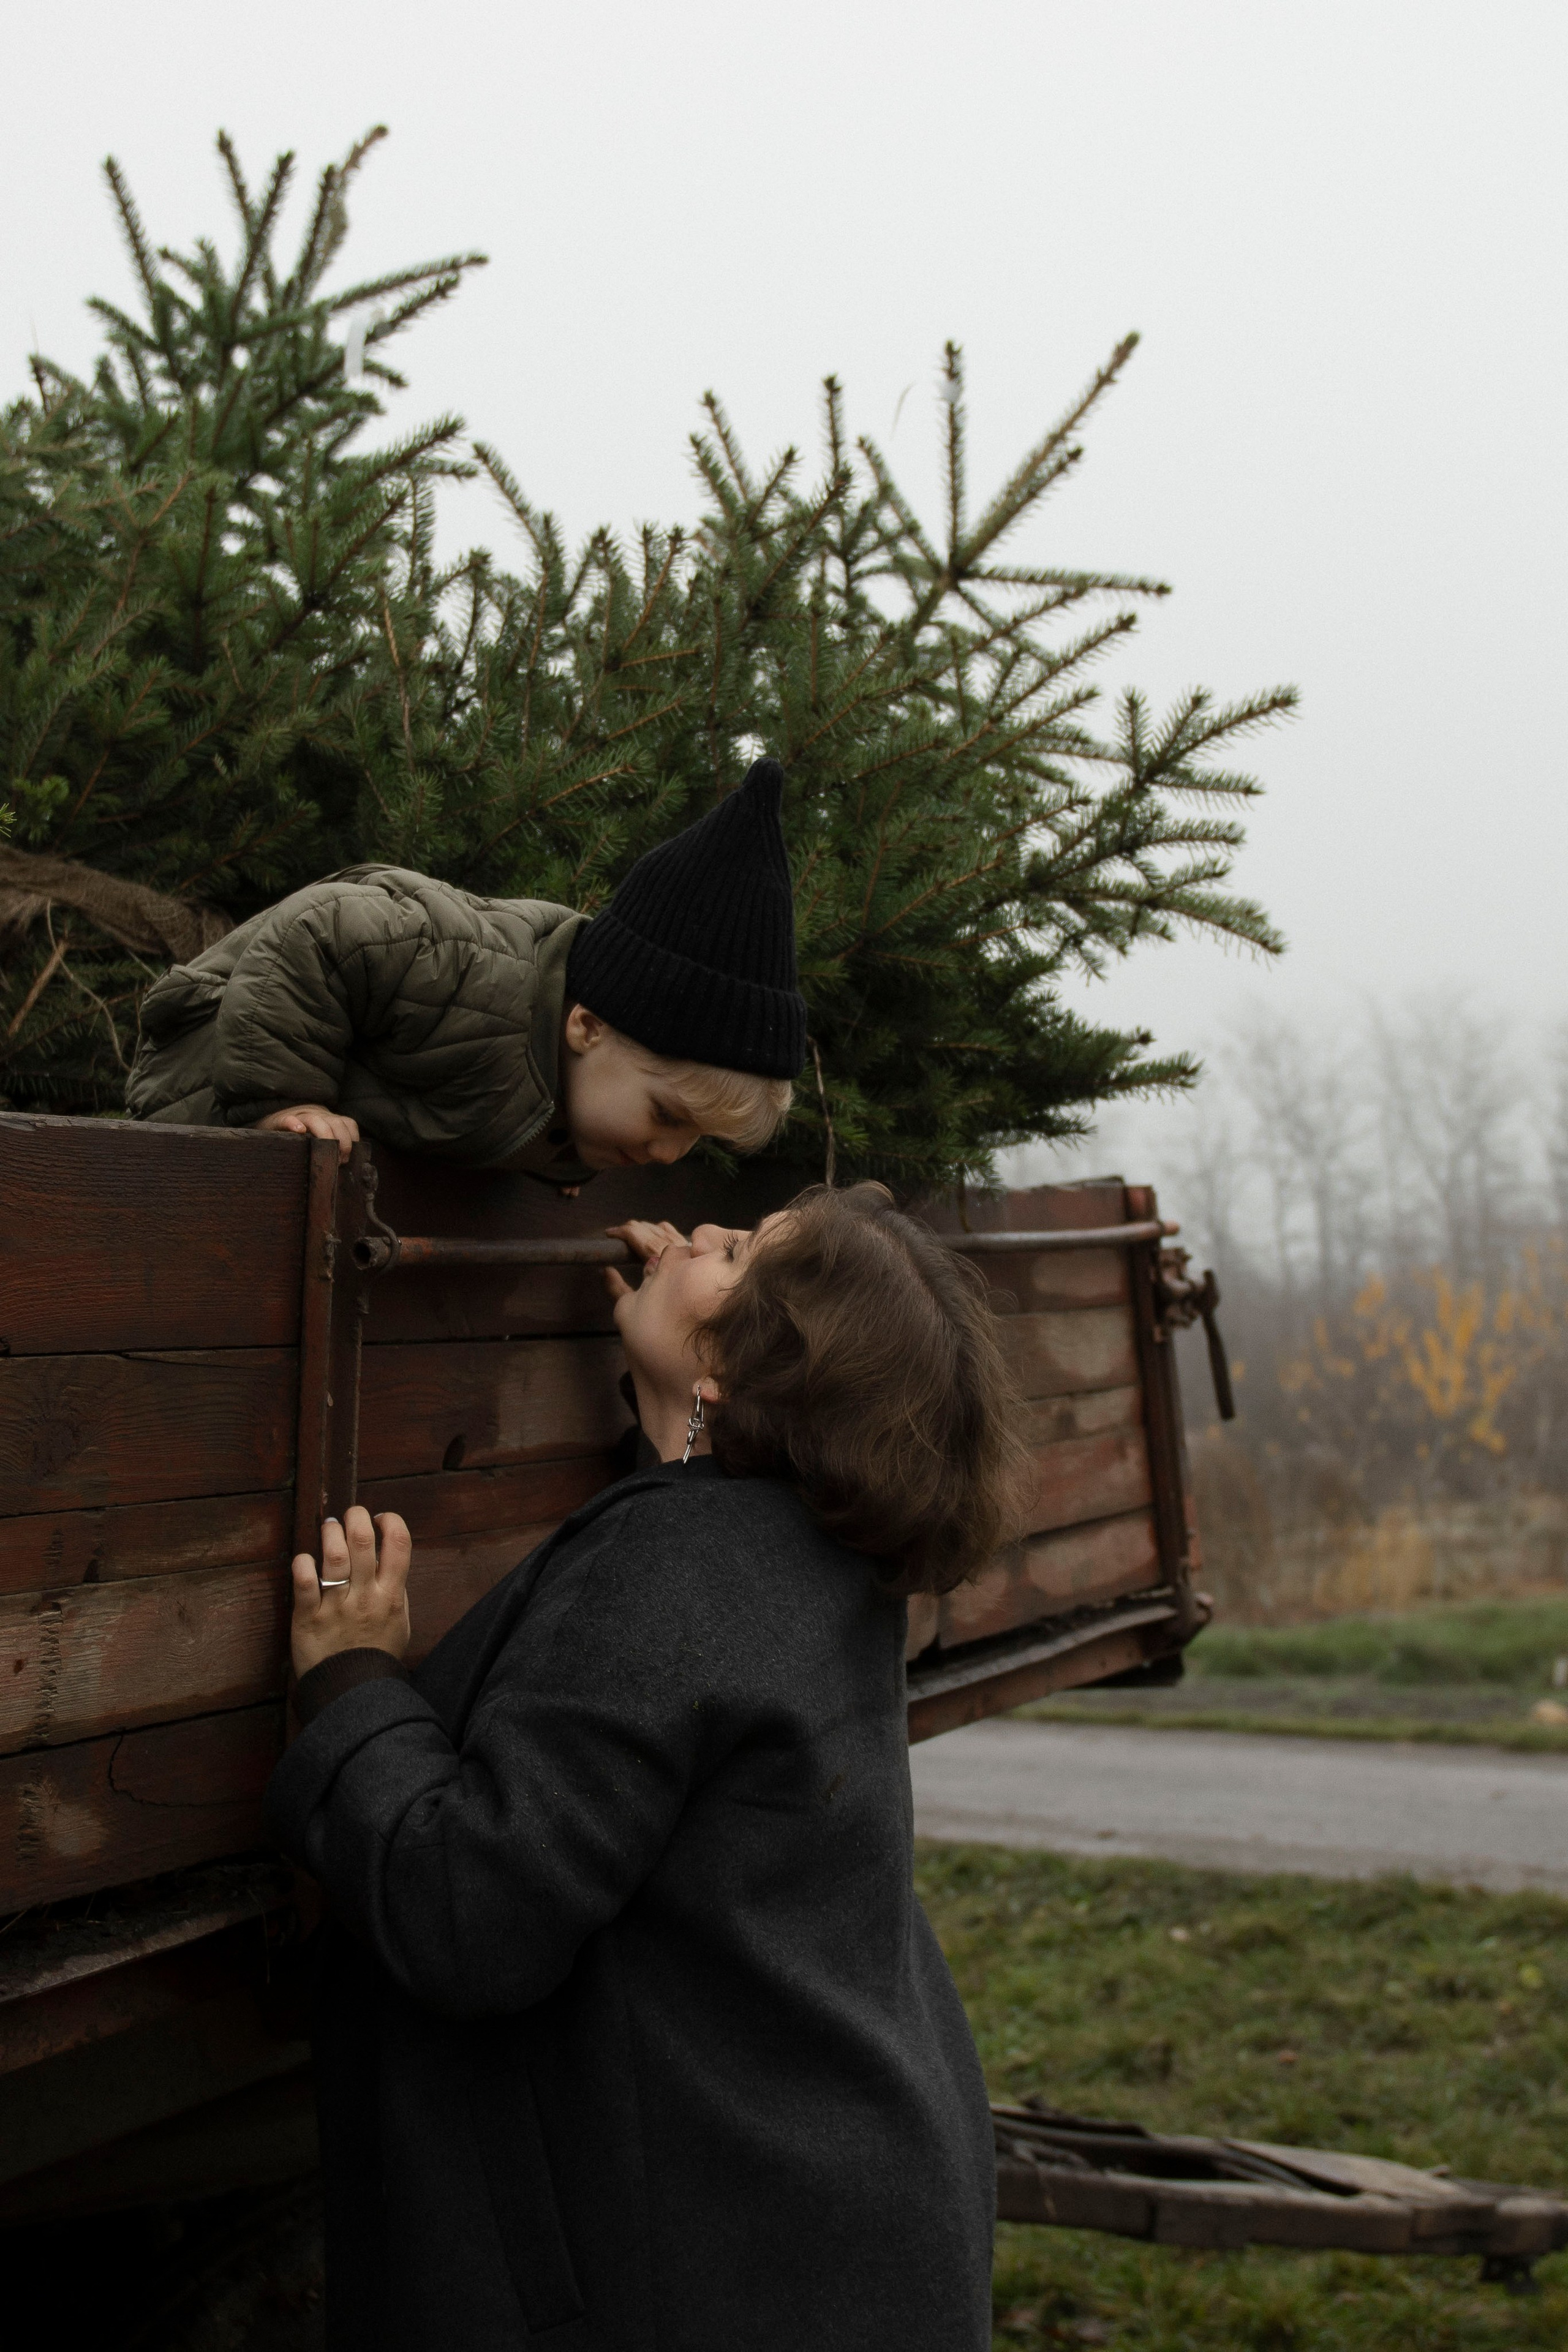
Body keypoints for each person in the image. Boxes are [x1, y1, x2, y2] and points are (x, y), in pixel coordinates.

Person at [264, 1183, 1029, 2352]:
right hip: (840, 2225)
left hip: (735, 2279)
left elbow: (467, 1906)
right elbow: (666, 1666)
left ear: (728, 1377)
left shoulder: (676, 1570)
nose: (696, 1233)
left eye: (735, 1255)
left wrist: (351, 1682)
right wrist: (668, 1383)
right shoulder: (806, 1547)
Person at [124, 758, 802, 1185]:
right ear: (586, 1026)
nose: (666, 1153)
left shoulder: (586, 1091)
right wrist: (283, 1100)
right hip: (204, 1086)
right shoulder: (470, 974)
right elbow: (324, 929)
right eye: (666, 1116)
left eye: (695, 1140)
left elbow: (500, 1114)